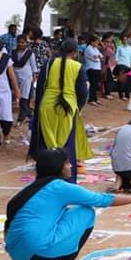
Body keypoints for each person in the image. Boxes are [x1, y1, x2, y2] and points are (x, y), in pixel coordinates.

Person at [5, 149, 131, 260]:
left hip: (18, 256)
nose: (71, 165)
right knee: (86, 212)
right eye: (67, 163)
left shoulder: (31, 189)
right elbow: (101, 199)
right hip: (39, 254)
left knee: (60, 215)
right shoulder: (60, 187)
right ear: (59, 167)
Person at [29, 39, 92, 181]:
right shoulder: (78, 66)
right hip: (68, 107)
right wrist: (77, 107)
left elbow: (40, 88)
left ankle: (45, 180)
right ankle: (67, 181)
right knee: (67, 146)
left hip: (47, 107)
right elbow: (82, 92)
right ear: (75, 52)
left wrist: (38, 108)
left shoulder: (48, 63)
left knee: (47, 145)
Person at [82, 34, 103, 106]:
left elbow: (101, 56)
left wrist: (98, 56)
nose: (97, 43)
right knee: (92, 84)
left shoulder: (95, 49)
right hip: (91, 68)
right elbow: (95, 57)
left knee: (95, 84)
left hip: (97, 68)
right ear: (92, 42)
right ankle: (91, 99)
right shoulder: (88, 48)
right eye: (96, 42)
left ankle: (95, 99)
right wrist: (98, 57)